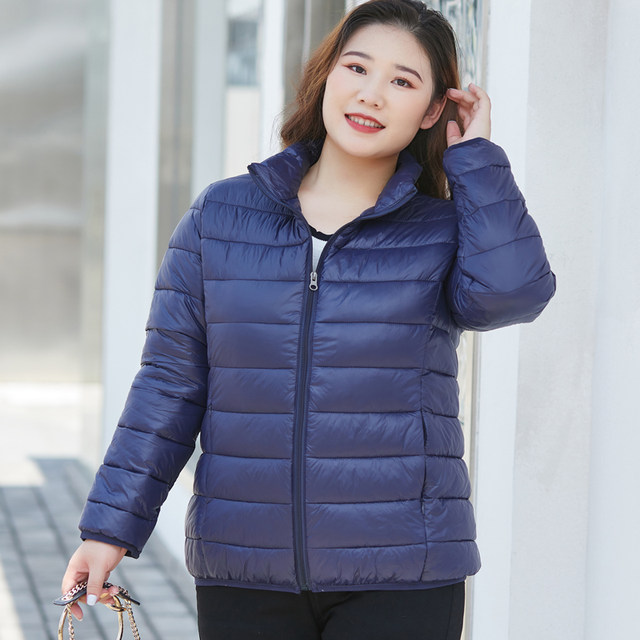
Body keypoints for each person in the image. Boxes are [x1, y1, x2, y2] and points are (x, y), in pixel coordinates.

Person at [61, 1, 556, 638]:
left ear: (434, 110)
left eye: (403, 81)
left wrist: (477, 158)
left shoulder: (440, 231)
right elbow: (170, 384)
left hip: (403, 571)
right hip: (246, 569)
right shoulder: (221, 216)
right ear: (327, 76)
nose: (372, 94)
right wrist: (109, 528)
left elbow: (513, 293)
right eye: (358, 68)